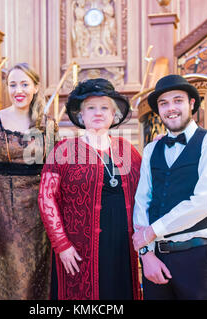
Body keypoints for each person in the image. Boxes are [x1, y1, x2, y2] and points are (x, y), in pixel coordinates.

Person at [38, 78, 142, 300]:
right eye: (91, 108)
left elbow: (146, 189)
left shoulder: (128, 150)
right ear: (81, 115)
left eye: (105, 107)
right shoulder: (63, 150)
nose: (98, 113)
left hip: (123, 247)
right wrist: (61, 245)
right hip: (78, 248)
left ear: (113, 115)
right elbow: (46, 199)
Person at [132, 74, 207, 300]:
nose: (171, 108)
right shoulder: (151, 150)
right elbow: (141, 203)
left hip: (196, 257)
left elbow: (205, 201)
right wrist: (146, 255)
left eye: (178, 100)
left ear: (191, 104)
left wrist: (152, 231)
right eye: (164, 103)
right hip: (155, 259)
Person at [0, 63, 51, 299]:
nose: (19, 90)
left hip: (39, 216)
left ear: (36, 87)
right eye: (13, 84)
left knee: (38, 278)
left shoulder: (47, 124)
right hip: (4, 213)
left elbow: (52, 171)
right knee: (10, 277)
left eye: (25, 84)